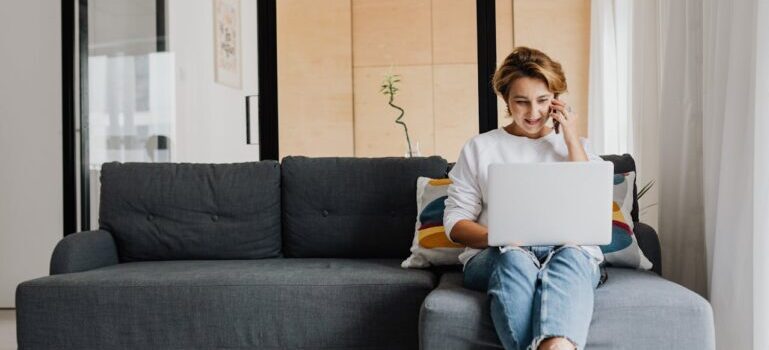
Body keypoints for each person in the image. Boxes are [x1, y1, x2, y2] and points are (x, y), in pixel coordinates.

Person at [443, 47, 604, 350]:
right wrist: (499, 237)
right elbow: (454, 223)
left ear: (556, 100)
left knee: (571, 253)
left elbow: (589, 202)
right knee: (514, 257)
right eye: (522, 102)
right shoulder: (481, 148)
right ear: (506, 100)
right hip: (498, 253)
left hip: (565, 252)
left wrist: (569, 137)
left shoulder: (575, 147)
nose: (533, 112)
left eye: (543, 100)